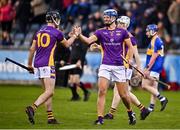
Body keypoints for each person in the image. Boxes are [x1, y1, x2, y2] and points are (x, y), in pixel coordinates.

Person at [74, 9, 136, 125]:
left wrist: (128, 59)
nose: (105, 19)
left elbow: (130, 47)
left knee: (123, 95)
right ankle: (100, 119)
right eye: (105, 17)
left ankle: (130, 112)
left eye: (108, 17)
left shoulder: (122, 32)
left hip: (119, 66)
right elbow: (88, 41)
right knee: (102, 91)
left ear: (114, 18)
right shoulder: (100, 32)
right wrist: (79, 35)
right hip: (105, 65)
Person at [25, 10, 78, 125]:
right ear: (54, 19)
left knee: (46, 92)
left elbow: (32, 49)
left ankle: (50, 117)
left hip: (37, 63)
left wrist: (29, 64)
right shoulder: (56, 32)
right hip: (48, 64)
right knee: (50, 91)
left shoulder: (39, 31)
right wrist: (75, 35)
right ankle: (32, 108)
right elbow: (67, 44)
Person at [103, 16, 150, 120]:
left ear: (126, 25)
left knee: (120, 91)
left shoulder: (130, 37)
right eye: (119, 23)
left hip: (125, 67)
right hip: (120, 66)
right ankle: (143, 109)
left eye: (123, 24)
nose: (120, 25)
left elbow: (136, 54)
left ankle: (111, 114)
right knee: (123, 92)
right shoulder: (118, 35)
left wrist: (139, 68)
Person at [142, 24, 168, 112]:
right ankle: (151, 107)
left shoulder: (156, 41)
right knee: (154, 87)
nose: (146, 33)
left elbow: (154, 56)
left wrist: (147, 68)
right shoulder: (154, 40)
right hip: (156, 67)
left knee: (144, 85)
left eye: (148, 31)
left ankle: (162, 99)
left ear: (153, 31)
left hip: (154, 67)